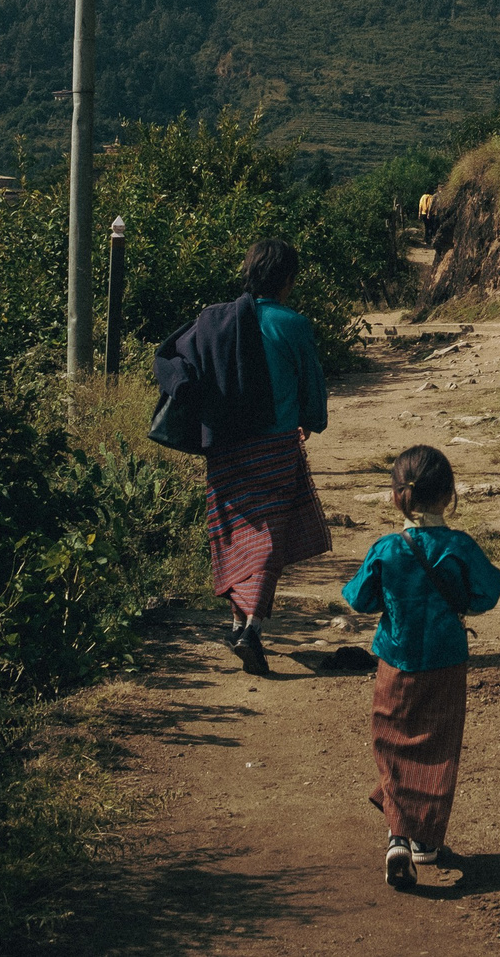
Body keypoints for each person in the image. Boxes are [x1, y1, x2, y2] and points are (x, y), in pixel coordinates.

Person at [341, 445, 500, 890]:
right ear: (449, 495)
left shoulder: (386, 549)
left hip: (395, 663)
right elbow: (489, 591)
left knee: (393, 745)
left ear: (397, 496)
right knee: (439, 747)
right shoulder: (460, 546)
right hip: (447, 662)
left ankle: (397, 837)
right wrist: (463, 603)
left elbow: (358, 598)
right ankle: (426, 843)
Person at [206, 239, 333, 675]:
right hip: (274, 448)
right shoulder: (291, 324)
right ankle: (251, 631)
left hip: (223, 449)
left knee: (234, 532)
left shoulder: (218, 319)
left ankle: (238, 622)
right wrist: (312, 420)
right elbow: (311, 383)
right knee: (268, 538)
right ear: (288, 279)